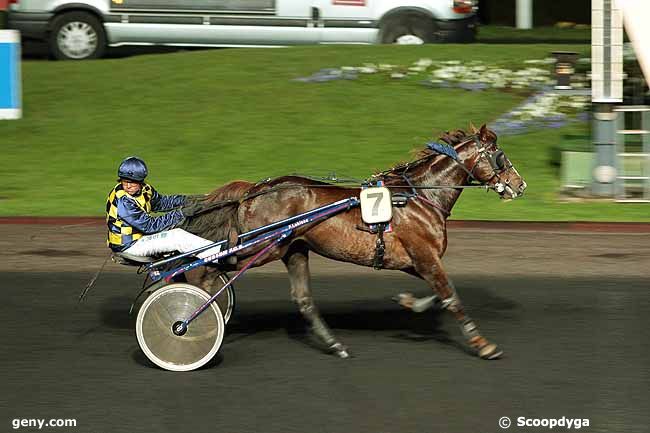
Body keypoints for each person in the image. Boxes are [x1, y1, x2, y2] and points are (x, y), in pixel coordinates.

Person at [106, 156, 221, 260]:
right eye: (124, 181)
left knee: (184, 226)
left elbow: (161, 203)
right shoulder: (123, 200)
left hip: (141, 237)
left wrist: (187, 200)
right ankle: (219, 254)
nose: (128, 186)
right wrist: (182, 213)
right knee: (178, 237)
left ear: (141, 181)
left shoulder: (146, 189)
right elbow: (150, 226)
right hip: (129, 245)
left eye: (132, 182)